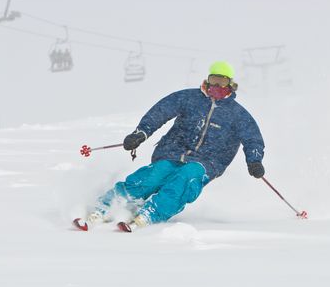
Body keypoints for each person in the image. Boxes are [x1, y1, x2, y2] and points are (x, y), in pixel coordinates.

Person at [86, 61, 266, 228]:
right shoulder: (189, 98)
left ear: (230, 84)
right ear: (208, 80)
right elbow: (159, 112)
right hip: (173, 151)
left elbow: (253, 139)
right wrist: (140, 133)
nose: (217, 85)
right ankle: (109, 204)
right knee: (155, 174)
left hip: (207, 161)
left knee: (187, 177)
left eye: (222, 81)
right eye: (214, 80)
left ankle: (153, 212)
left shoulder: (237, 114)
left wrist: (255, 161)